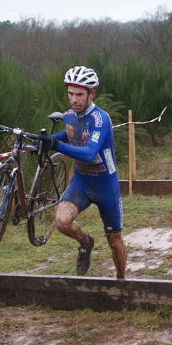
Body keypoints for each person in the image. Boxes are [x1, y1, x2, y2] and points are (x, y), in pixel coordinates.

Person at [38, 66, 127, 279]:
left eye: (79, 94)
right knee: (61, 222)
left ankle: (121, 280)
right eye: (70, 93)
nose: (74, 99)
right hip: (82, 183)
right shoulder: (69, 116)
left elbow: (88, 153)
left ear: (91, 93)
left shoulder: (100, 119)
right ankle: (86, 243)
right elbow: (63, 137)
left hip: (105, 186)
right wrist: (37, 141)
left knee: (114, 241)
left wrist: (55, 146)